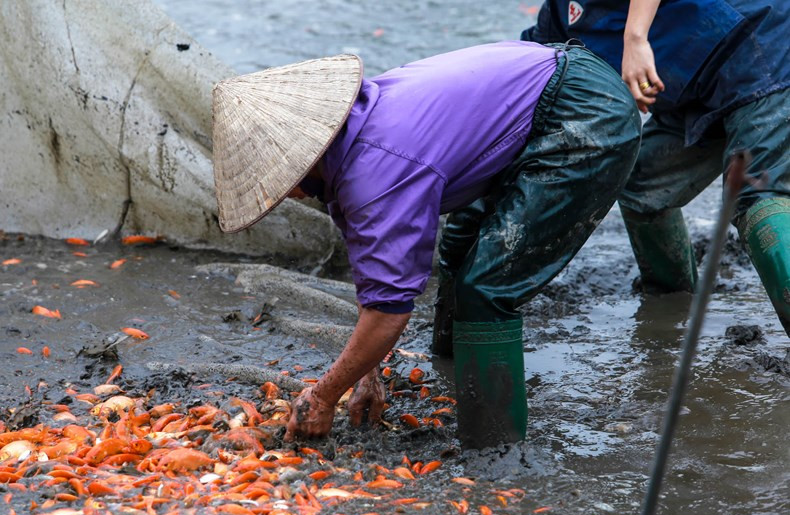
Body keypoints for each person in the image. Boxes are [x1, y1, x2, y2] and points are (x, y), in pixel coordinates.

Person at [211, 40, 640, 448]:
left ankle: (495, 447)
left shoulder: (377, 170)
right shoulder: (357, 125)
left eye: (280, 184)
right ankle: (457, 386)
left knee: (486, 287)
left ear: (303, 163)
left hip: (584, 114)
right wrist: (367, 375)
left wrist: (322, 397)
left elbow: (388, 311)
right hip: (541, 93)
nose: (284, 193)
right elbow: (374, 270)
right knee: (457, 250)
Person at [520, 0, 790, 335]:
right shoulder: (560, 14)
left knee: (755, 194)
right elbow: (536, 71)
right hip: (694, 94)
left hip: (762, 49)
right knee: (640, 184)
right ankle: (673, 302)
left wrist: (635, 38)